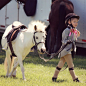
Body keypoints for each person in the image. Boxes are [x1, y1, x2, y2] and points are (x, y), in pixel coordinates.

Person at [52, 13, 80, 82]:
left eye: (77, 22)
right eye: (74, 21)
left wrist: (77, 35)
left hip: (70, 49)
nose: (76, 23)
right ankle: (75, 78)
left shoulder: (73, 30)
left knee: (61, 63)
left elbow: (74, 38)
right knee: (71, 65)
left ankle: (54, 77)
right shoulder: (66, 30)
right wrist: (67, 41)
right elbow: (63, 40)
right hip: (66, 50)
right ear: (69, 22)